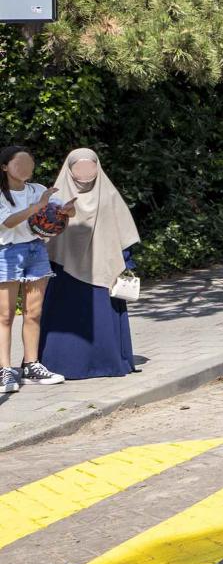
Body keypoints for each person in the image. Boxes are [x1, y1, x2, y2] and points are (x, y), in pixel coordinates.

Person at [41, 150, 140, 380]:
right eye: (79, 166)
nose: (85, 172)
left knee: (100, 316)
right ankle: (62, 364)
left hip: (102, 267)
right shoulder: (57, 197)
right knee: (66, 316)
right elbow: (45, 231)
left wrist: (124, 259)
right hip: (64, 269)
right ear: (69, 169)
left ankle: (105, 362)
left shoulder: (108, 194)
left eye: (90, 166)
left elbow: (121, 230)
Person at [0, 146, 65, 394]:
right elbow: (8, 222)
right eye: (19, 163)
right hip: (6, 253)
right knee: (5, 315)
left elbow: (57, 212)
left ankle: (31, 365)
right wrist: (39, 206)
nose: (26, 167)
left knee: (33, 312)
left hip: (36, 251)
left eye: (29, 163)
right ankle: (4, 370)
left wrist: (66, 211)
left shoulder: (37, 189)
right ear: (4, 167)